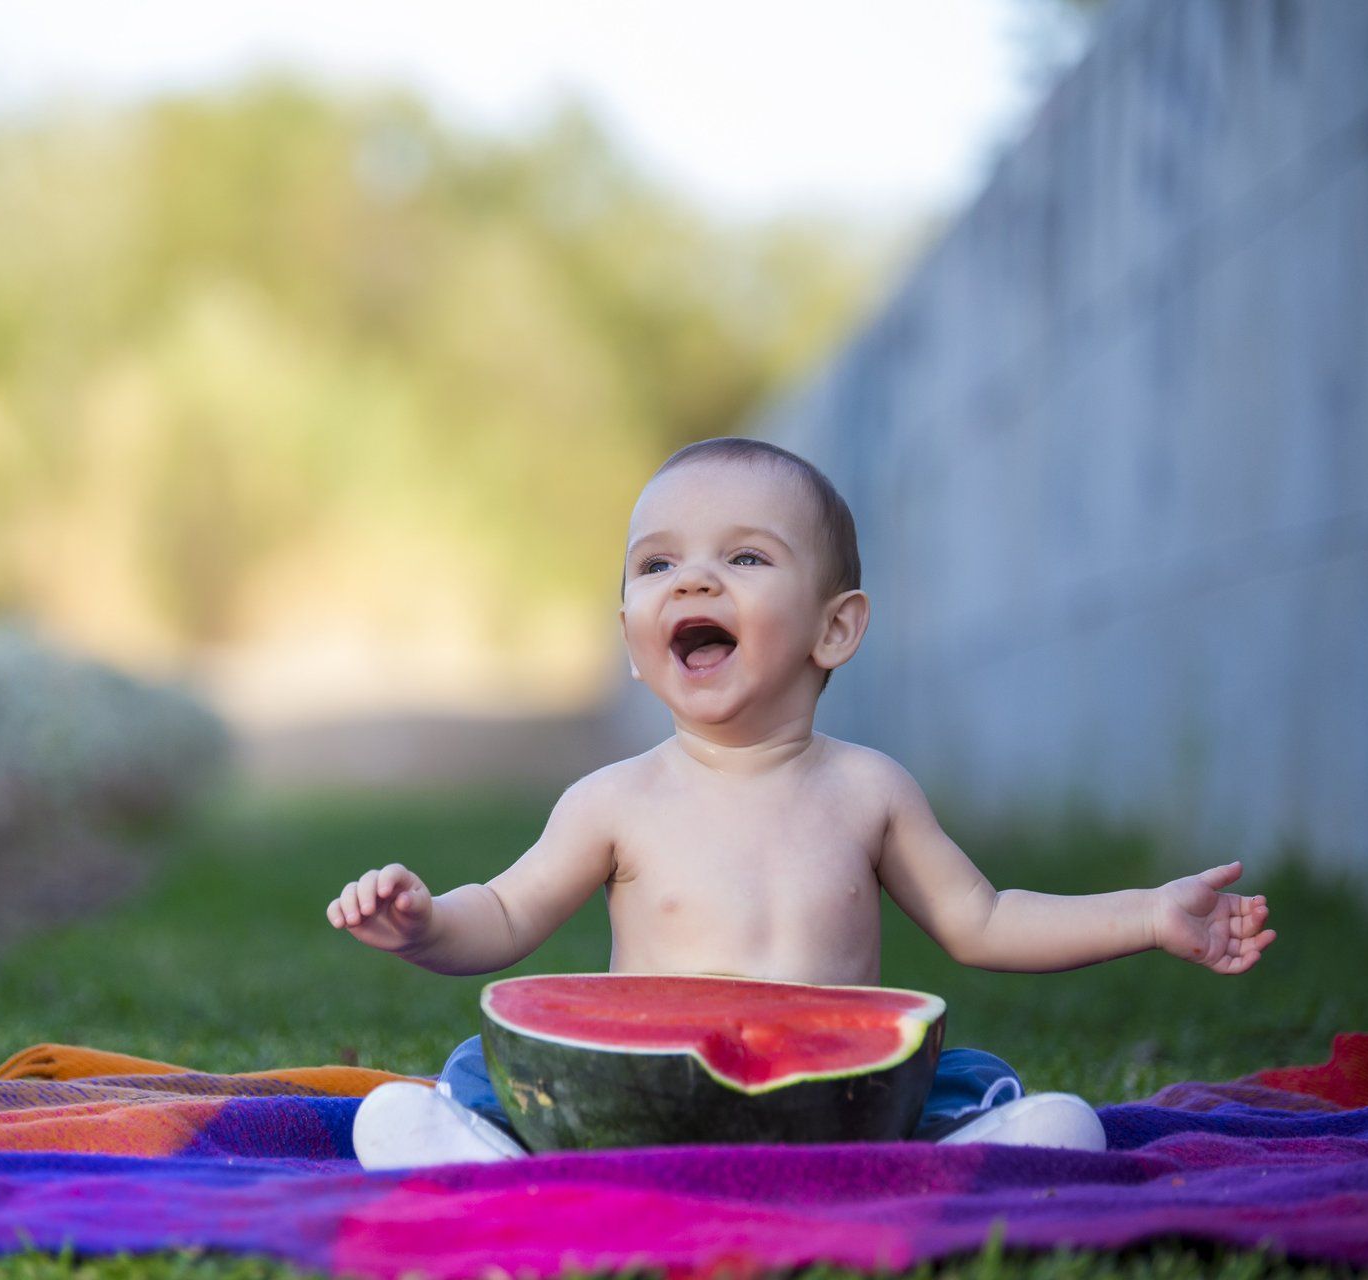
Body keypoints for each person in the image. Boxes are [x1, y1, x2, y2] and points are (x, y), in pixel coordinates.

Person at [326, 437, 1277, 1169]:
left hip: (845, 1107)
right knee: (409, 1105)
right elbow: (501, 916)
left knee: (1056, 1122)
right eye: (657, 567)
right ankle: (494, 1163)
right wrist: (423, 924)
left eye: (744, 558)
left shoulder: (870, 790)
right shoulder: (612, 800)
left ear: (835, 627)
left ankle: (922, 1164)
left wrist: (1151, 915)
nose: (693, 579)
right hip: (632, 1105)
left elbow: (984, 920)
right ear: (630, 635)